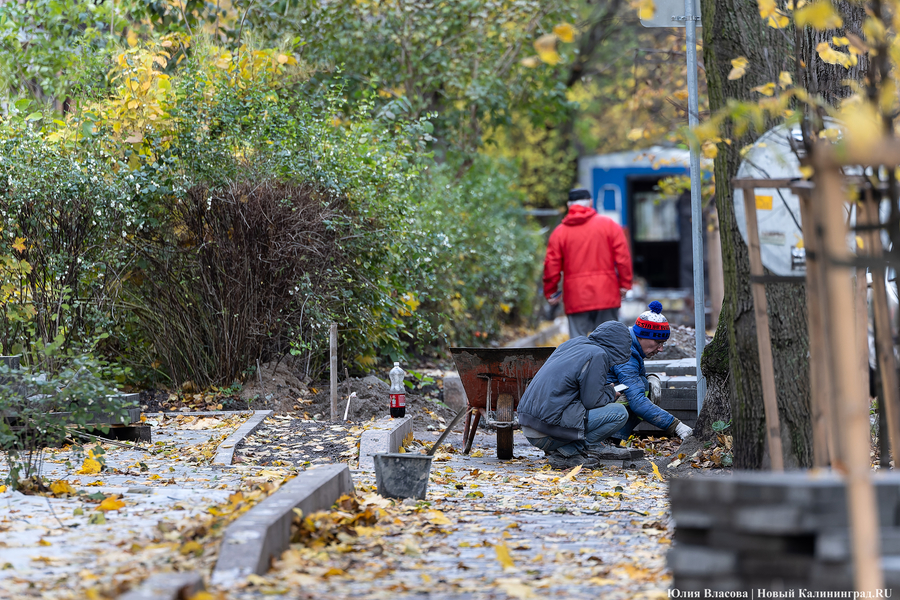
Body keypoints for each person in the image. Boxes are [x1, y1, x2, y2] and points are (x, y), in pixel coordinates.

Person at [517, 320, 634, 469]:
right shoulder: (598, 354)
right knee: (619, 413)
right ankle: (568, 453)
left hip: (530, 425)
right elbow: (592, 402)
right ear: (619, 346)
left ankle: (567, 452)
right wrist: (611, 392)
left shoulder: (574, 344)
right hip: (545, 433)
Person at [544, 189, 633, 339]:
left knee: (578, 346)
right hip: (606, 293)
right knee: (610, 343)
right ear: (591, 203)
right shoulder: (609, 225)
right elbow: (623, 258)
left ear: (568, 205)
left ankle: (585, 364)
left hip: (576, 296)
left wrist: (551, 291)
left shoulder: (560, 232)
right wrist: (625, 284)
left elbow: (551, 265)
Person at [607, 301, 694, 442]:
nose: (661, 349)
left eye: (663, 343)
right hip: (591, 409)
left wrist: (650, 377)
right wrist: (676, 426)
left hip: (592, 403)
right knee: (642, 387)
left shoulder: (627, 344)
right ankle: (610, 440)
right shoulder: (626, 354)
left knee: (644, 383)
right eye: (658, 342)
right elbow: (637, 402)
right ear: (642, 336)